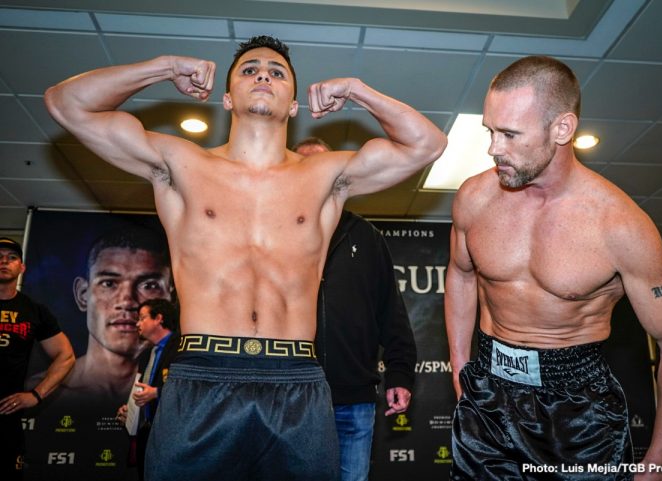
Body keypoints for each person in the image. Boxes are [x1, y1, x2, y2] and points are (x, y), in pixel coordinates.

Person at [44, 35, 446, 481]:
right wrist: (163, 66)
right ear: (227, 97)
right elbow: (66, 104)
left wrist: (357, 90)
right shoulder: (180, 163)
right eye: (250, 69)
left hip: (297, 378)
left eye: (277, 73)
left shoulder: (327, 176)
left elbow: (425, 144)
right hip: (201, 376)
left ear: (294, 104)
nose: (263, 76)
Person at [444, 55, 662, 481]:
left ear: (561, 128)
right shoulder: (475, 197)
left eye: (509, 133)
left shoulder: (620, 225)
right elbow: (462, 275)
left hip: (578, 408)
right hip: (487, 393)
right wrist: (460, 369)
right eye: (490, 131)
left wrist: (661, 461)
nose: (493, 148)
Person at [294, 137, 417, 481]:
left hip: (353, 398)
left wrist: (400, 374)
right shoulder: (273, 234)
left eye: (324, 168)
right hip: (288, 396)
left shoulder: (367, 236)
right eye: (305, 168)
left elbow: (391, 313)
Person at [37, 228, 174, 408]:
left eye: (149, 285)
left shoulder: (180, 365)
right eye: (109, 283)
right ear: (82, 294)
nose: (127, 301)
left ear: (171, 296)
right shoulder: (41, 389)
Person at [0, 237, 75, 481]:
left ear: (22, 268)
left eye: (12, 258)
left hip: (6, 417)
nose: (4, 261)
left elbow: (66, 356)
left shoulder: (34, 311)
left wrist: (36, 394)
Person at [117, 298, 180, 481]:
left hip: (171, 435)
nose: (137, 323)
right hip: (146, 435)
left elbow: (189, 390)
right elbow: (143, 392)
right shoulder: (146, 355)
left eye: (142, 318)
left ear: (159, 318)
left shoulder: (181, 348)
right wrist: (132, 410)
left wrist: (157, 393)